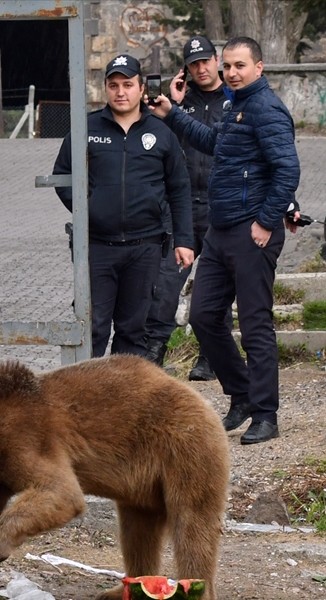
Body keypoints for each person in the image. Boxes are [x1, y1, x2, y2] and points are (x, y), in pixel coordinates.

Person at [149, 37, 302, 445]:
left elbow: (287, 169)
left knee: (254, 325)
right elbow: (214, 142)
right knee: (203, 317)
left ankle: (265, 415)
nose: (231, 73)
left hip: (252, 232)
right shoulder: (237, 105)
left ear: (259, 67)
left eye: (240, 66)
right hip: (220, 231)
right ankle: (242, 394)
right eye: (228, 66)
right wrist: (171, 113)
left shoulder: (267, 109)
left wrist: (266, 221)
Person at [53, 54, 194, 358]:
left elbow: (179, 189)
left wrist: (184, 240)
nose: (120, 92)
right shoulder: (86, 128)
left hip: (145, 248)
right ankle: (86, 388)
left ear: (141, 89)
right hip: (96, 247)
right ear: (105, 88)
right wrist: (90, 208)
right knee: (91, 327)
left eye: (128, 85)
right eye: (113, 85)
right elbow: (62, 176)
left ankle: (122, 389)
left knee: (133, 331)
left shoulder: (161, 132)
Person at [143, 35, 225, 380]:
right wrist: (172, 107)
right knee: (164, 285)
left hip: (221, 207)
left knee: (216, 286)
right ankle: (152, 353)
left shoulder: (234, 99)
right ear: (186, 69)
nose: (201, 69)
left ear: (217, 60)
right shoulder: (176, 102)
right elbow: (156, 143)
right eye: (194, 64)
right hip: (182, 208)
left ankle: (211, 358)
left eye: (205, 61)